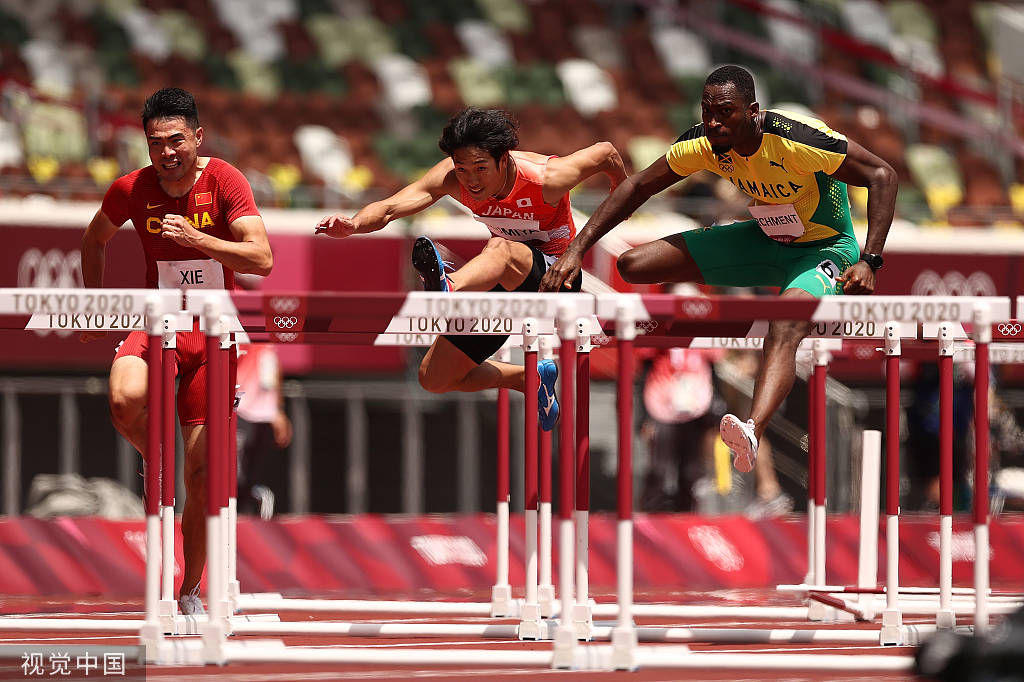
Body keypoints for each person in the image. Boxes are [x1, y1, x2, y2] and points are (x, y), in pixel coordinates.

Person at [540, 64, 898, 476]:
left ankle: (751, 431)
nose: (713, 122)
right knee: (634, 264)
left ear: (753, 110)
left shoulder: (796, 138)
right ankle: (580, 307)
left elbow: (882, 174)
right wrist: (575, 251)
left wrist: (869, 261)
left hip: (822, 248)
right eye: (707, 110)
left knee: (785, 323)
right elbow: (637, 187)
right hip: (764, 240)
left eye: (725, 112)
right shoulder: (704, 142)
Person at [80, 87, 273, 615]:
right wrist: (94, 303)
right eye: (155, 143)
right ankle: (154, 455)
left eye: (176, 140)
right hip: (159, 318)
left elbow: (261, 259)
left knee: (204, 475)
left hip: (212, 330)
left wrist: (198, 240)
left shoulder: (225, 180)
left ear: (197, 138)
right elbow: (94, 238)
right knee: (123, 400)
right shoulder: (131, 188)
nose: (166, 152)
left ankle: (190, 590)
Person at [315, 108, 626, 428]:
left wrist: (622, 194)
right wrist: (353, 224)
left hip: (556, 282)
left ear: (504, 159)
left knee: (500, 248)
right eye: (463, 169)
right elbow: (391, 207)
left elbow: (607, 153)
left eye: (480, 168)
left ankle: (447, 286)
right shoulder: (453, 179)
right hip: (505, 289)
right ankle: (526, 379)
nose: (471, 180)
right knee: (434, 378)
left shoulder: (548, 177)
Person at [235, 341, 293, 518]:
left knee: (253, 476)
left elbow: (274, 371)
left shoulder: (268, 342)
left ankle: (248, 521)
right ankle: (233, 519)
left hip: (265, 415)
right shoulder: (241, 333)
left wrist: (278, 411)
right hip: (240, 411)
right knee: (236, 476)